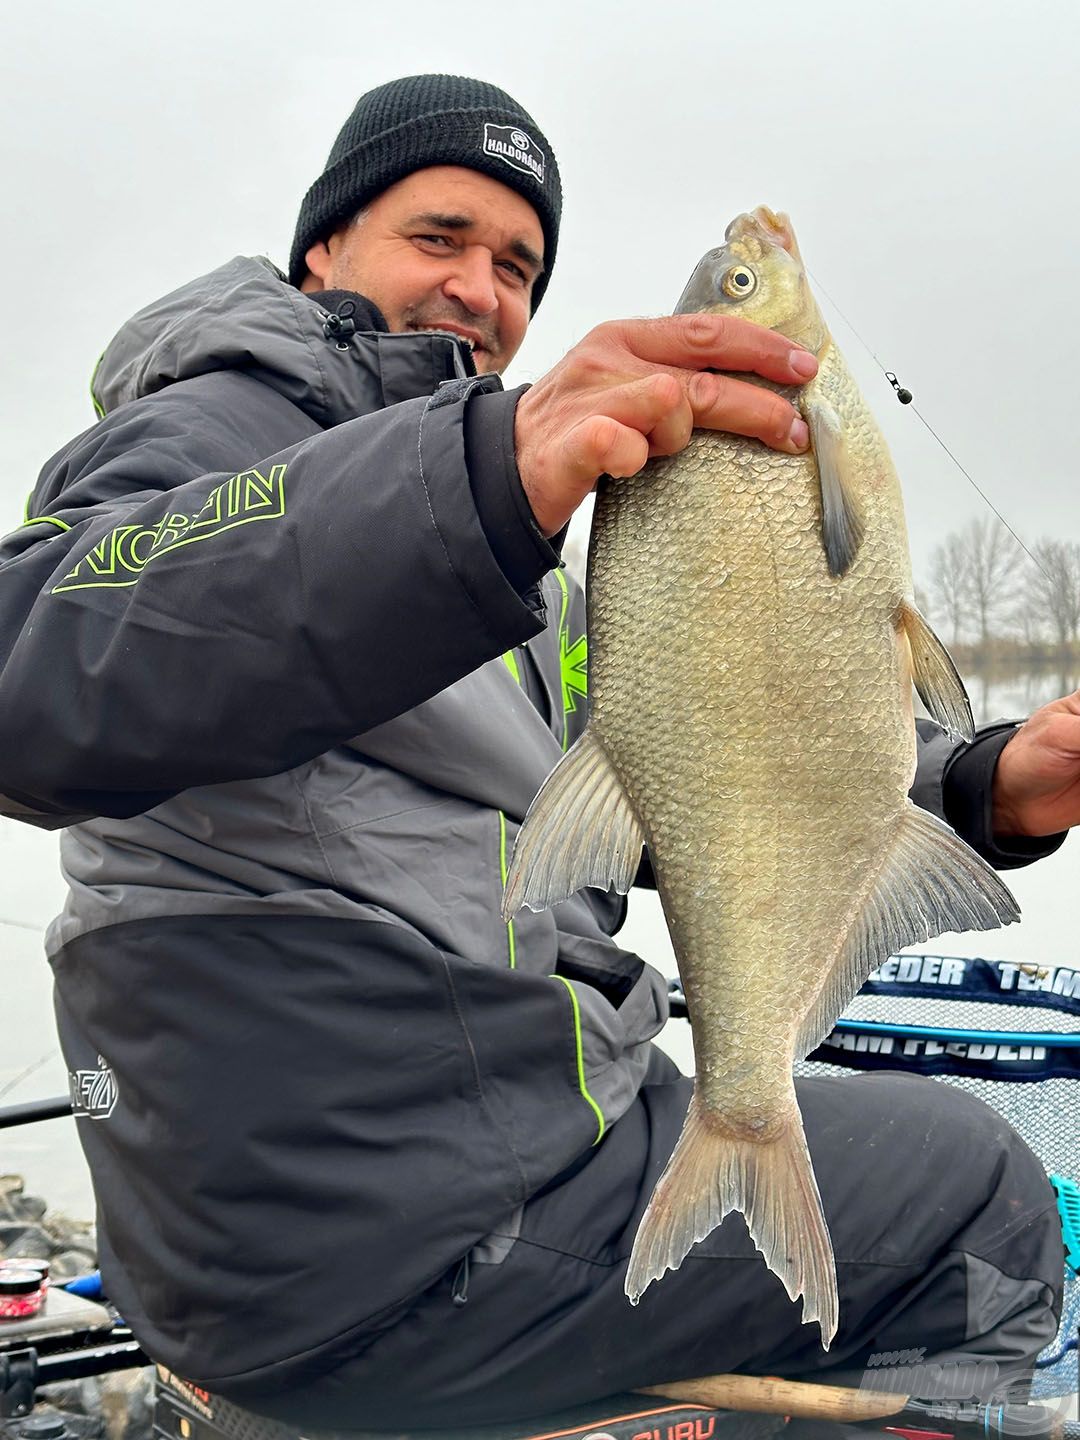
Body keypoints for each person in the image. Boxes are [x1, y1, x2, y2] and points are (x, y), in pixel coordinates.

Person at [1, 74, 1075, 1430]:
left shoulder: (507, 559)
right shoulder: (219, 427)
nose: (480, 288)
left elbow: (683, 757)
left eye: (516, 264)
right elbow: (28, 670)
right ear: (322, 246)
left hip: (485, 1150)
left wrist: (985, 783)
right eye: (438, 236)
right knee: (984, 1202)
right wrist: (481, 481)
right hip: (366, 1231)